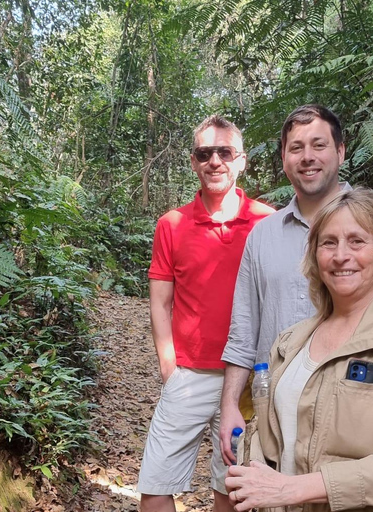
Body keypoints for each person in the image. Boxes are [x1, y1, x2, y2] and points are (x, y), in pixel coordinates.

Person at [225, 188, 373, 512]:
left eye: (357, 241)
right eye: (329, 242)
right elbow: (264, 435)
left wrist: (292, 489)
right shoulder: (290, 342)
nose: (340, 255)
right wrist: (250, 472)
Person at [220, 105, 373, 465]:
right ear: (283, 158)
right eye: (296, 148)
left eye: (319, 145)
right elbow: (243, 332)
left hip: (362, 412)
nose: (307, 157)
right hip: (277, 418)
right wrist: (230, 407)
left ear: (341, 151)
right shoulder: (263, 236)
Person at [138, 115, 275, 512]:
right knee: (155, 487)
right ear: (194, 161)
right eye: (205, 153)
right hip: (190, 372)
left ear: (241, 160)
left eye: (225, 152)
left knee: (231, 489)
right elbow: (160, 301)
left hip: (249, 377)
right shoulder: (172, 224)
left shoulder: (268, 222)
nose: (215, 161)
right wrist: (169, 367)